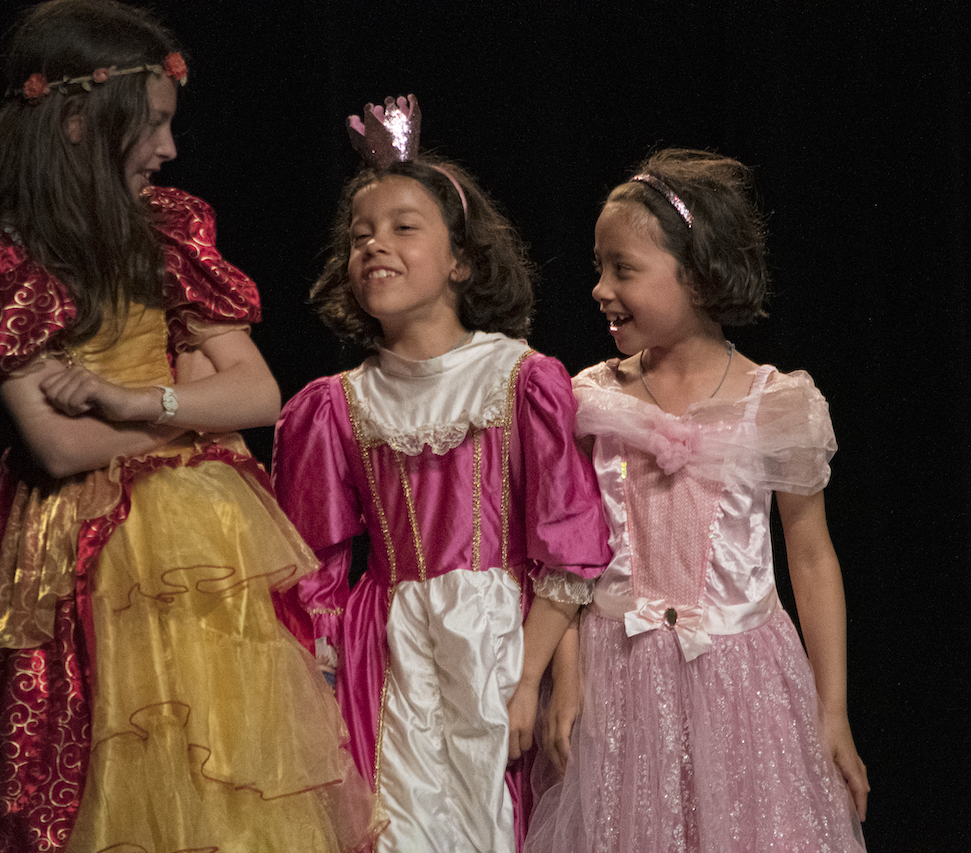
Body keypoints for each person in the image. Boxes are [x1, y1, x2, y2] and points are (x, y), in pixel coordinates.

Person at [0, 2, 376, 850]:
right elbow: (61, 445)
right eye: (152, 125)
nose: (168, 148)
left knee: (225, 766)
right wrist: (190, 413)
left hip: (205, 545)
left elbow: (257, 393)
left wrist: (136, 402)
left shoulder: (168, 231)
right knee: (109, 767)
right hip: (80, 547)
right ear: (79, 122)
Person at [270, 96, 612, 853]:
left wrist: (529, 680)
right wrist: (324, 685)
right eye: (360, 234)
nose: (374, 245)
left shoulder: (521, 380)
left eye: (403, 227)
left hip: (501, 646)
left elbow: (567, 547)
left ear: (460, 260)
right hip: (390, 659)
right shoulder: (334, 407)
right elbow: (309, 571)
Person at [525, 149, 870, 852]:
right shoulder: (590, 399)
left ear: (699, 273)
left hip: (745, 685)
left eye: (623, 269)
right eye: (599, 266)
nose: (600, 287)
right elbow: (566, 558)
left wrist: (832, 710)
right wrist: (566, 673)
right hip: (617, 682)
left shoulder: (776, 402)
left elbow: (811, 558)